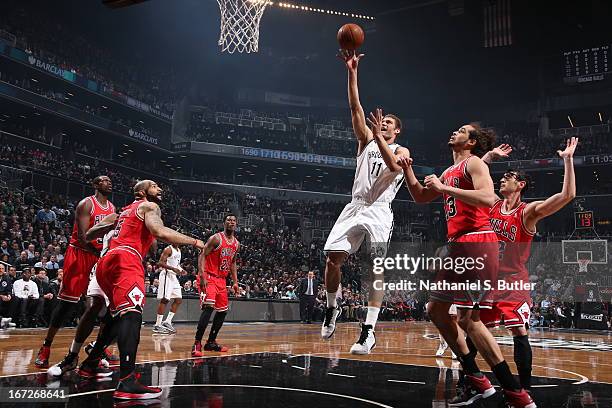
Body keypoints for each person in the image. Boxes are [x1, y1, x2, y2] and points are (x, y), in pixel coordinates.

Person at [399, 123, 535, 407]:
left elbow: (488, 198)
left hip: (476, 241)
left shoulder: (473, 163)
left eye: (461, 130)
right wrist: (408, 170)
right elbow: (421, 197)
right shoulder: (449, 171)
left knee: (469, 321)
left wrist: (443, 186)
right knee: (435, 310)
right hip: (457, 244)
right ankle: (476, 378)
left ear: (471, 142)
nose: (453, 132)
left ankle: (516, 394)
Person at [78, 180, 205, 400]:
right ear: (141, 192)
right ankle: (127, 382)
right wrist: (194, 241)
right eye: (155, 186)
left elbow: (89, 235)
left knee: (116, 318)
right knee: (132, 316)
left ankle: (89, 365)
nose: (160, 189)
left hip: (106, 262)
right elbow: (160, 231)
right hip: (127, 259)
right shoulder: (149, 206)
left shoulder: (123, 212)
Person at [322, 51, 410, 355]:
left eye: (387, 123)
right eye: (381, 122)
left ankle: (369, 331)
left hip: (379, 210)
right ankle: (331, 308)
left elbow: (395, 167)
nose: (381, 124)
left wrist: (381, 140)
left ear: (396, 130)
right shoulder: (365, 141)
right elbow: (354, 106)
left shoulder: (401, 148)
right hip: (355, 206)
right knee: (333, 259)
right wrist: (352, 72)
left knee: (376, 268)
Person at [480, 137, 578, 391]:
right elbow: (475, 177)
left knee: (518, 332)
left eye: (509, 177)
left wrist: (567, 160)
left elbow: (568, 195)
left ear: (520, 184)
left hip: (512, 280)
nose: (502, 179)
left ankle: (523, 391)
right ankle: (475, 381)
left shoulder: (527, 212)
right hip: (487, 280)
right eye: (502, 177)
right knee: (473, 329)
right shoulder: (491, 204)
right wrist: (489, 157)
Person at [35, 176, 115, 368]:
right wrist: (101, 250)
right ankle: (46, 346)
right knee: (66, 305)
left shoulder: (111, 208)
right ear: (95, 184)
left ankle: (97, 346)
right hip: (80, 255)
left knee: (101, 304)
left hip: (98, 258)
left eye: (110, 181)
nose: (109, 183)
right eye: (104, 180)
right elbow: (82, 236)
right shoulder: (86, 204)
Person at [47, 213, 119, 378]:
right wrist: (112, 225)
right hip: (105, 265)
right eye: (152, 185)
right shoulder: (117, 216)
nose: (157, 189)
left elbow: (152, 248)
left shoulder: (148, 219)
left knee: (121, 320)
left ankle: (94, 352)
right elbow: (88, 235)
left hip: (124, 269)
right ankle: (72, 356)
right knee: (94, 308)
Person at [192, 214, 240, 357]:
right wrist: (201, 275)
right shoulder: (216, 238)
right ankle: (197, 342)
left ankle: (211, 342)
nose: (231, 222)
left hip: (222, 280)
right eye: (228, 220)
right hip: (209, 277)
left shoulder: (236, 244)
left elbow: (232, 263)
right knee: (208, 308)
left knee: (223, 311)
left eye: (233, 221)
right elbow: (202, 255)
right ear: (224, 223)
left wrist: (235, 281)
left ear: (236, 224)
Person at [153, 244, 183, 334]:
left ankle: (167, 322)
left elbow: (176, 264)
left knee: (178, 300)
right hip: (166, 275)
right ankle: (157, 325)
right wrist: (173, 269)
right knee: (165, 300)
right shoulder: (168, 249)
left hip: (173, 277)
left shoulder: (178, 250)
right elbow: (160, 263)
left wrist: (181, 270)